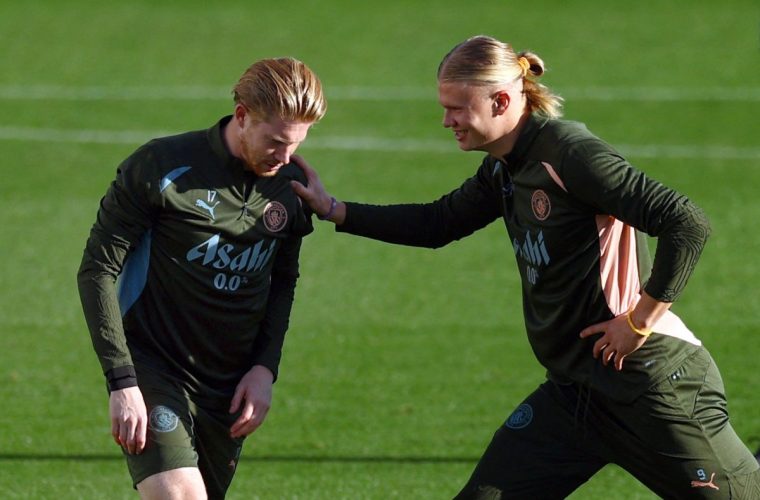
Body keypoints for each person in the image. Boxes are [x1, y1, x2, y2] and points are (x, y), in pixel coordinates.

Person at [290, 35, 760, 498]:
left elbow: (686, 222)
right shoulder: (504, 167)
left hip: (652, 386)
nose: (446, 120)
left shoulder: (569, 154)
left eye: (457, 108)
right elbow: (438, 223)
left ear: (499, 101)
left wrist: (639, 321)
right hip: (576, 396)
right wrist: (334, 209)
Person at [77, 57, 326, 499]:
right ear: (243, 115)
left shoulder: (291, 186)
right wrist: (123, 381)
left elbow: (283, 282)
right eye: (275, 142)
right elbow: (98, 268)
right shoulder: (161, 166)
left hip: (228, 387)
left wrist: (265, 368)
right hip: (155, 366)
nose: (285, 157)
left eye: (296, 144)